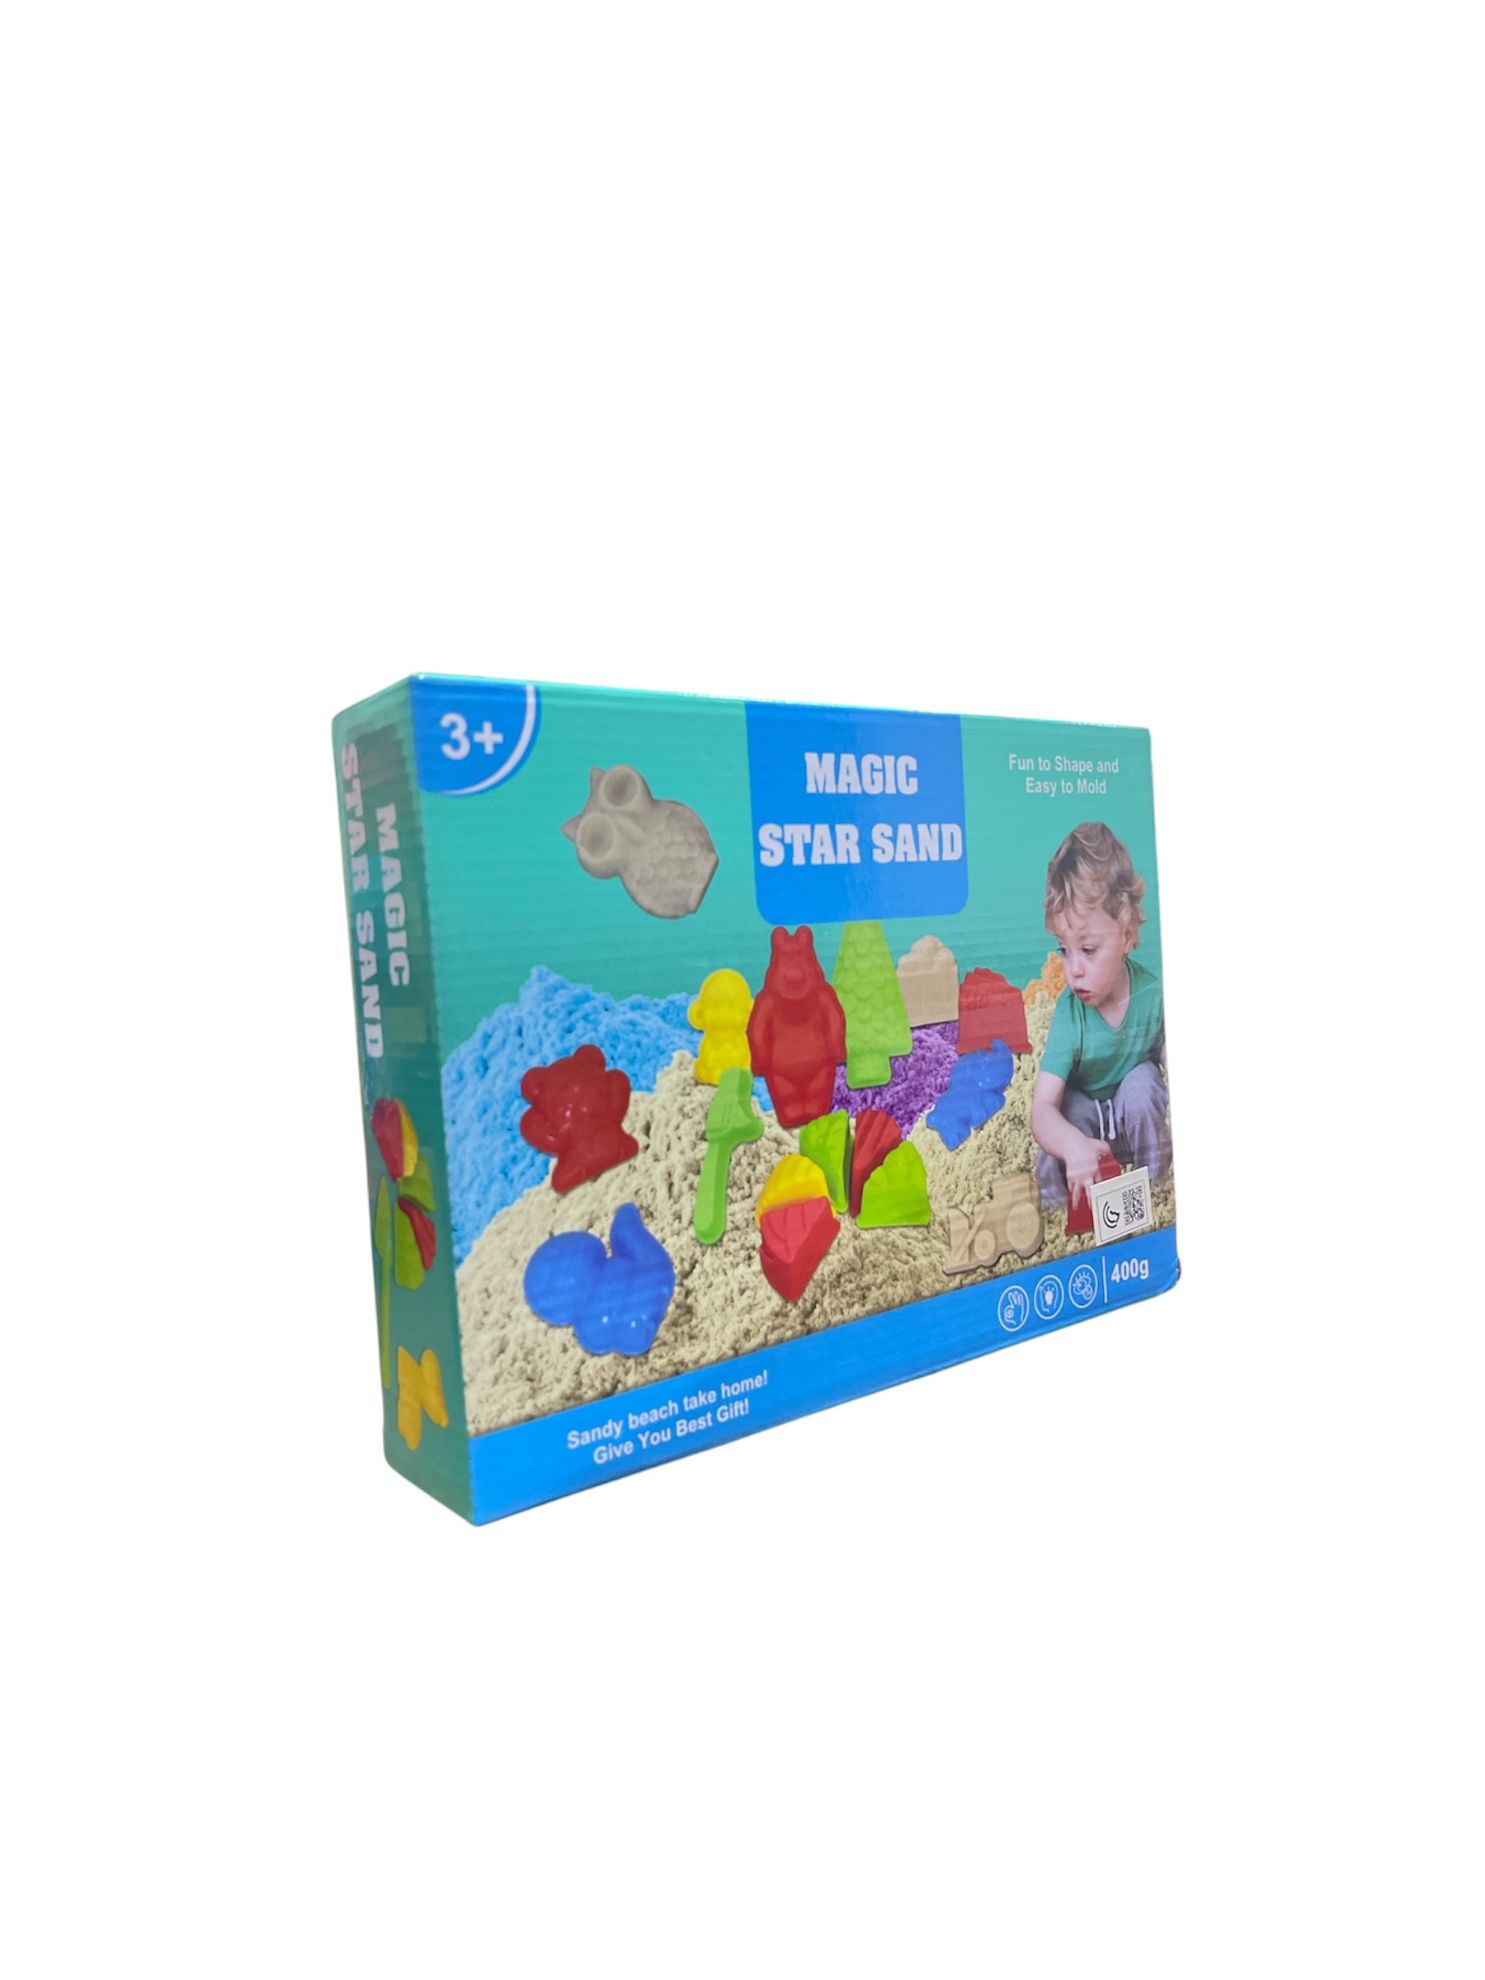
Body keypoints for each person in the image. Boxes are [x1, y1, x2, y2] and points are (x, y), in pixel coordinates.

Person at [1031, 822, 1171, 1212]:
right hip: (1086, 1135)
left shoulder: (1151, 996)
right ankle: (1063, 1213)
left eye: (1088, 950)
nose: (1072, 969)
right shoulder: (1070, 1013)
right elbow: (1041, 1108)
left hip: (1134, 1127)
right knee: (1063, 1120)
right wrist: (1071, 1144)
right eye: (1064, 949)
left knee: (1143, 1084)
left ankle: (1155, 1190)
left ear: (1127, 935)